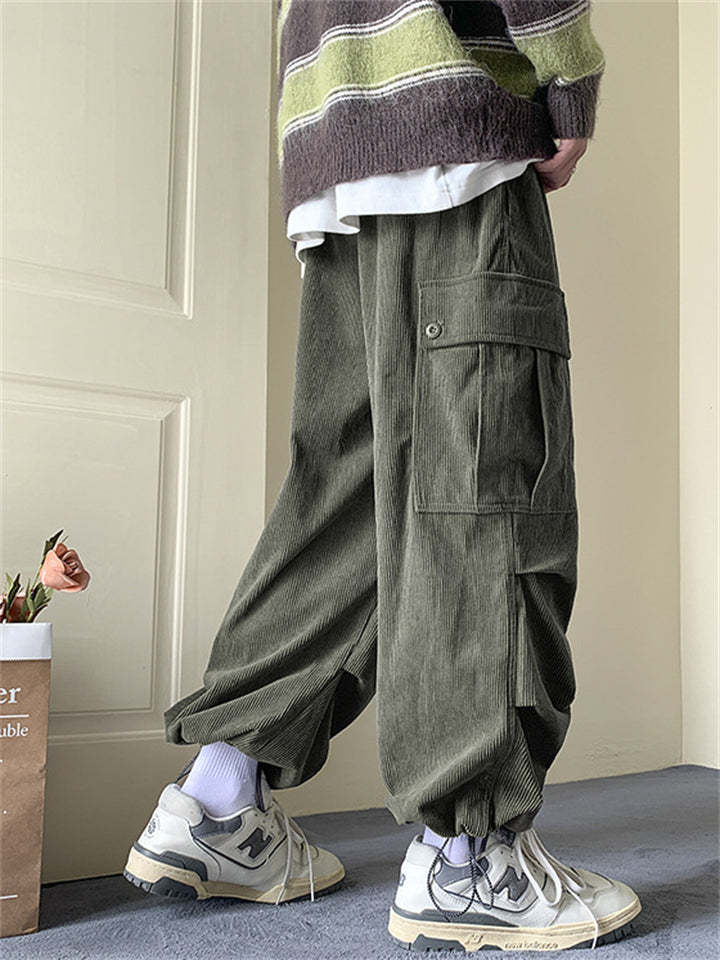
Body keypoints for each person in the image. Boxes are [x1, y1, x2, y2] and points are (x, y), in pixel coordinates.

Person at [124, 0, 642, 951]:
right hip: (451, 128)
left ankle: (221, 800)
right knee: (482, 488)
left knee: (352, 499)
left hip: (337, 148)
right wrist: (570, 89)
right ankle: (471, 857)